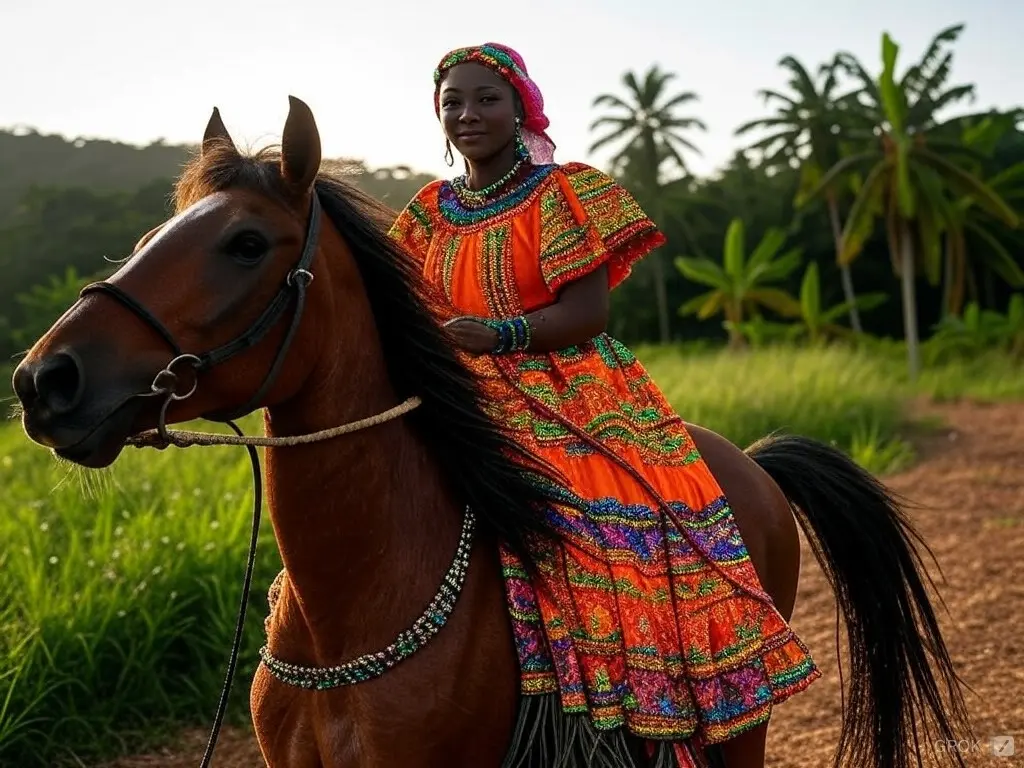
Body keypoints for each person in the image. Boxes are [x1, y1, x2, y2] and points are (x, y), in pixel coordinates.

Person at [388, 42, 820, 767]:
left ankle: (635, 696)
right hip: (457, 385)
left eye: (487, 99)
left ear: (521, 108)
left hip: (565, 382)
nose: (468, 114)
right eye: (453, 101)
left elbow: (587, 311)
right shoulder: (428, 212)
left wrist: (502, 333)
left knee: (596, 517)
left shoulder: (564, 193)